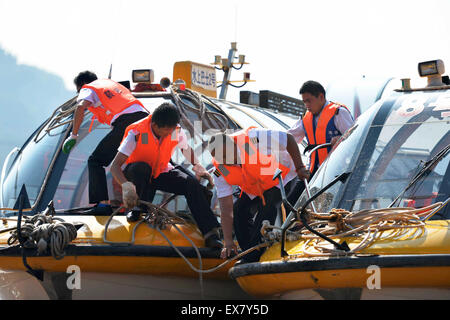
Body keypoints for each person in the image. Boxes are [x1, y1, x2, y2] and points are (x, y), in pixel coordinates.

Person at [110, 103, 222, 249]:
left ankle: (210, 233)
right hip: (139, 175)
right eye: (166, 131)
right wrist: (126, 185)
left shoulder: (174, 130)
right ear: (155, 125)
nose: (170, 134)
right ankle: (136, 210)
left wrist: (198, 165)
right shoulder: (136, 132)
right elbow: (115, 166)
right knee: (141, 168)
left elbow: (185, 148)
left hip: (162, 171)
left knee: (191, 184)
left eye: (172, 130)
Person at [208, 127, 310, 263]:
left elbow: (289, 139)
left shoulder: (253, 139)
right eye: (220, 158)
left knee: (268, 205)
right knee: (239, 210)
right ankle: (248, 252)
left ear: (233, 144)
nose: (225, 161)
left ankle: (254, 253)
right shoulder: (220, 170)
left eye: (226, 155)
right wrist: (227, 241)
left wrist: (300, 167)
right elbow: (226, 209)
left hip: (281, 175)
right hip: (255, 186)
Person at [63, 71, 149, 215]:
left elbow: (81, 107)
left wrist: (74, 135)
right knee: (144, 162)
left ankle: (102, 205)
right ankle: (142, 208)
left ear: (81, 86)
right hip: (145, 126)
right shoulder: (112, 86)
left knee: (96, 161)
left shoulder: (89, 88)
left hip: (127, 124)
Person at [286, 80, 355, 199]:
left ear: (321, 97)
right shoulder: (306, 118)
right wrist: (266, 138)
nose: (306, 105)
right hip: (313, 171)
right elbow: (289, 137)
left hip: (335, 172)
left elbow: (354, 138)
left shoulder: (338, 112)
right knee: (291, 203)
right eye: (304, 102)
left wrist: (341, 139)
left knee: (327, 206)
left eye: (309, 101)